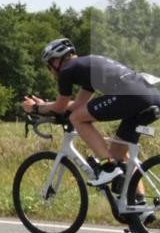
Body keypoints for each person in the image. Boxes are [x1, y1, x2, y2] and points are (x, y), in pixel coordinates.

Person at [21, 38, 160, 189]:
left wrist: (35, 108)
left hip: (130, 96)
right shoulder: (86, 66)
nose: (50, 71)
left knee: (76, 118)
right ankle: (137, 200)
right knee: (118, 154)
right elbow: (77, 104)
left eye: (49, 66)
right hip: (150, 95)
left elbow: (60, 108)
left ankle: (108, 168)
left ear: (56, 61)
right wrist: (45, 105)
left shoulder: (67, 71)